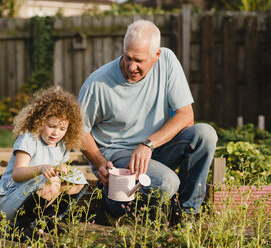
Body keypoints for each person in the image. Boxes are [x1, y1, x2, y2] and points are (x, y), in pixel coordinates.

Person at [78, 19, 218, 224]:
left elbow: (186, 116)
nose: (131, 66)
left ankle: (185, 215)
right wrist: (99, 162)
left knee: (205, 135)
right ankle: (113, 205)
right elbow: (79, 130)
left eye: (139, 60)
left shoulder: (168, 60)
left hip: (155, 148)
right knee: (166, 183)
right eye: (127, 57)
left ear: (156, 56)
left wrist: (148, 144)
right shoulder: (98, 83)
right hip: (119, 157)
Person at [0, 86, 88, 241]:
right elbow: (17, 174)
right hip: (12, 200)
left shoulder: (62, 146)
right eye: (51, 126)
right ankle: (21, 226)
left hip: (36, 194)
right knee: (52, 182)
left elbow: (62, 177)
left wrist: (64, 170)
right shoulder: (29, 140)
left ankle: (44, 220)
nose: (56, 132)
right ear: (39, 121)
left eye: (62, 128)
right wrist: (40, 169)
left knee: (76, 180)